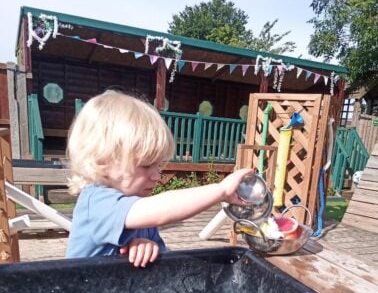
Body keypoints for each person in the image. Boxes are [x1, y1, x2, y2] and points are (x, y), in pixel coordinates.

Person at [66, 90, 251, 267]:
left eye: (159, 165)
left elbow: (160, 257)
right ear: (102, 161)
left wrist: (148, 246)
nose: (157, 176)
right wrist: (221, 190)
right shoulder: (96, 202)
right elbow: (160, 210)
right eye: (146, 165)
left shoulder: (141, 211)